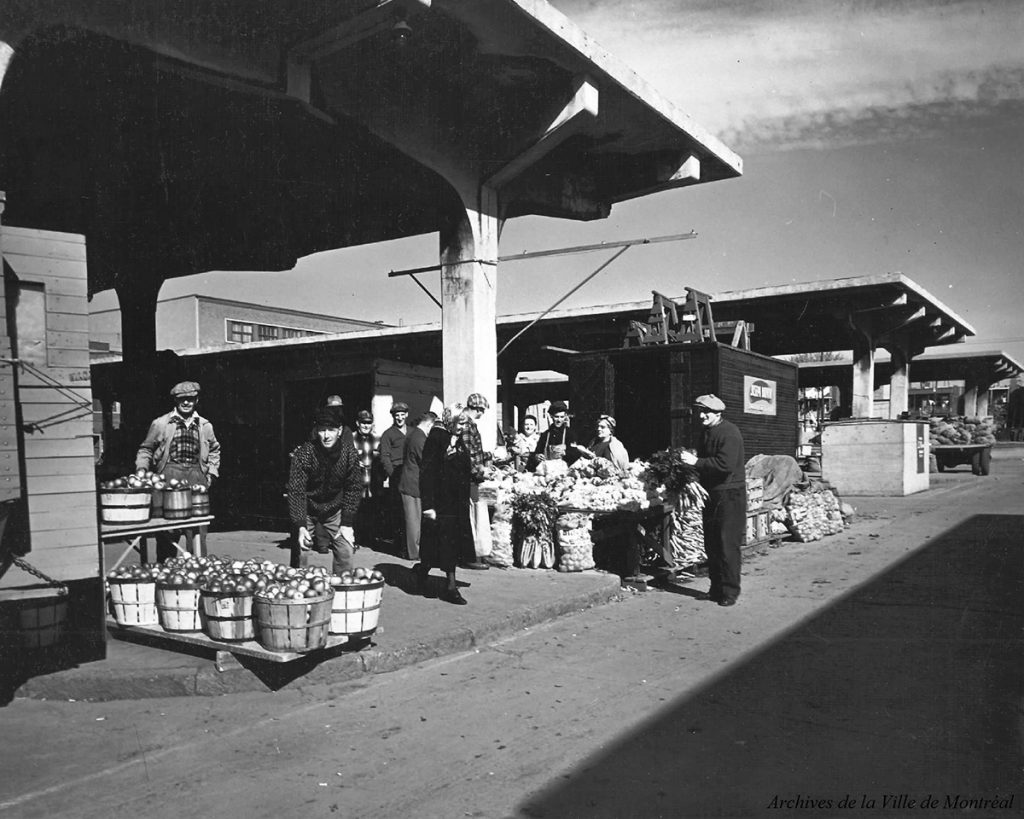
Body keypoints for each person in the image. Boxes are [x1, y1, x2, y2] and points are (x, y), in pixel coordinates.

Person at [136, 381, 221, 561]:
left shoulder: (205, 425)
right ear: (175, 400)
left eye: (190, 399)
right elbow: (146, 449)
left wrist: (211, 473)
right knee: (168, 531)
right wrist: (142, 469)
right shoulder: (161, 423)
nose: (186, 403)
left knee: (197, 532)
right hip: (169, 477)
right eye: (182, 399)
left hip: (197, 478)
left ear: (196, 400)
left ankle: (197, 574)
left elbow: (214, 449)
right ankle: (166, 571)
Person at [679, 394, 746, 607]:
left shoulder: (730, 433)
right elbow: (704, 460)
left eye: (705, 412)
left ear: (717, 413)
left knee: (727, 544)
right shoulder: (707, 432)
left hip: (730, 494)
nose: (701, 416)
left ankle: (730, 592)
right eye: (700, 411)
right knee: (712, 544)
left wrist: (696, 461)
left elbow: (725, 465)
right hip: (712, 493)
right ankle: (715, 588)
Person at [287, 408, 364, 576]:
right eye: (322, 430)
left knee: (346, 550)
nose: (326, 435)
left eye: (331, 430)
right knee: (301, 549)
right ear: (316, 431)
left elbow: (354, 487)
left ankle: (342, 590)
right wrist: (300, 525)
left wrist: (347, 524)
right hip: (308, 508)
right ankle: (297, 588)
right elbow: (296, 491)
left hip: (334, 510)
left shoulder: (349, 454)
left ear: (340, 431)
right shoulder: (304, 454)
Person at [416, 406, 476, 604]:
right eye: (460, 423)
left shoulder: (455, 438)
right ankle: (450, 587)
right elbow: (427, 473)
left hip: (455, 503)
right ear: (450, 421)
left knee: (442, 545)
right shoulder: (436, 438)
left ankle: (422, 571)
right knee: (444, 544)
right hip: (441, 504)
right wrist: (428, 506)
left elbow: (460, 465)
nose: (462, 427)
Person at [398, 411, 436, 561]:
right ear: (429, 424)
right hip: (412, 484)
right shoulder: (420, 438)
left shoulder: (413, 435)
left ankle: (415, 550)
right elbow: (426, 460)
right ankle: (414, 553)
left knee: (414, 519)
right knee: (413, 521)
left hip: (410, 482)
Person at [462, 393, 493, 569]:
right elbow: (467, 455)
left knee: (476, 516)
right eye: (482, 410)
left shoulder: (470, 424)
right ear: (477, 409)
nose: (482, 414)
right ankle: (471, 555)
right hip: (470, 479)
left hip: (473, 477)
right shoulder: (466, 425)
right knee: (472, 518)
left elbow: (475, 452)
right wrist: (480, 472)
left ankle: (476, 553)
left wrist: (488, 458)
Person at [379, 401, 409, 547]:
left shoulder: (412, 431)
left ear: (407, 415)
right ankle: (399, 543)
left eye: (402, 415)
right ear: (393, 416)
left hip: (410, 473)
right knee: (397, 509)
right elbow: (384, 456)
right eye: (397, 415)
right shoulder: (388, 434)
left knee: (410, 509)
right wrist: (392, 474)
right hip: (396, 474)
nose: (400, 418)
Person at [352, 409, 380, 549]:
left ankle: (368, 539)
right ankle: (354, 540)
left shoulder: (377, 439)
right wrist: (354, 463)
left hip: (372, 484)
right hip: (356, 483)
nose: (366, 426)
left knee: (370, 512)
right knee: (355, 512)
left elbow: (381, 459)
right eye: (363, 423)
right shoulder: (350, 439)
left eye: (368, 423)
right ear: (357, 423)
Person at [532, 401, 579, 469]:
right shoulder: (545, 435)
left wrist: (566, 453)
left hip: (564, 472)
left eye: (562, 417)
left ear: (565, 416)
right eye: (556, 417)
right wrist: (537, 456)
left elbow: (575, 455)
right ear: (551, 416)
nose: (559, 420)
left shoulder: (570, 434)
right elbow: (537, 452)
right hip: (547, 471)